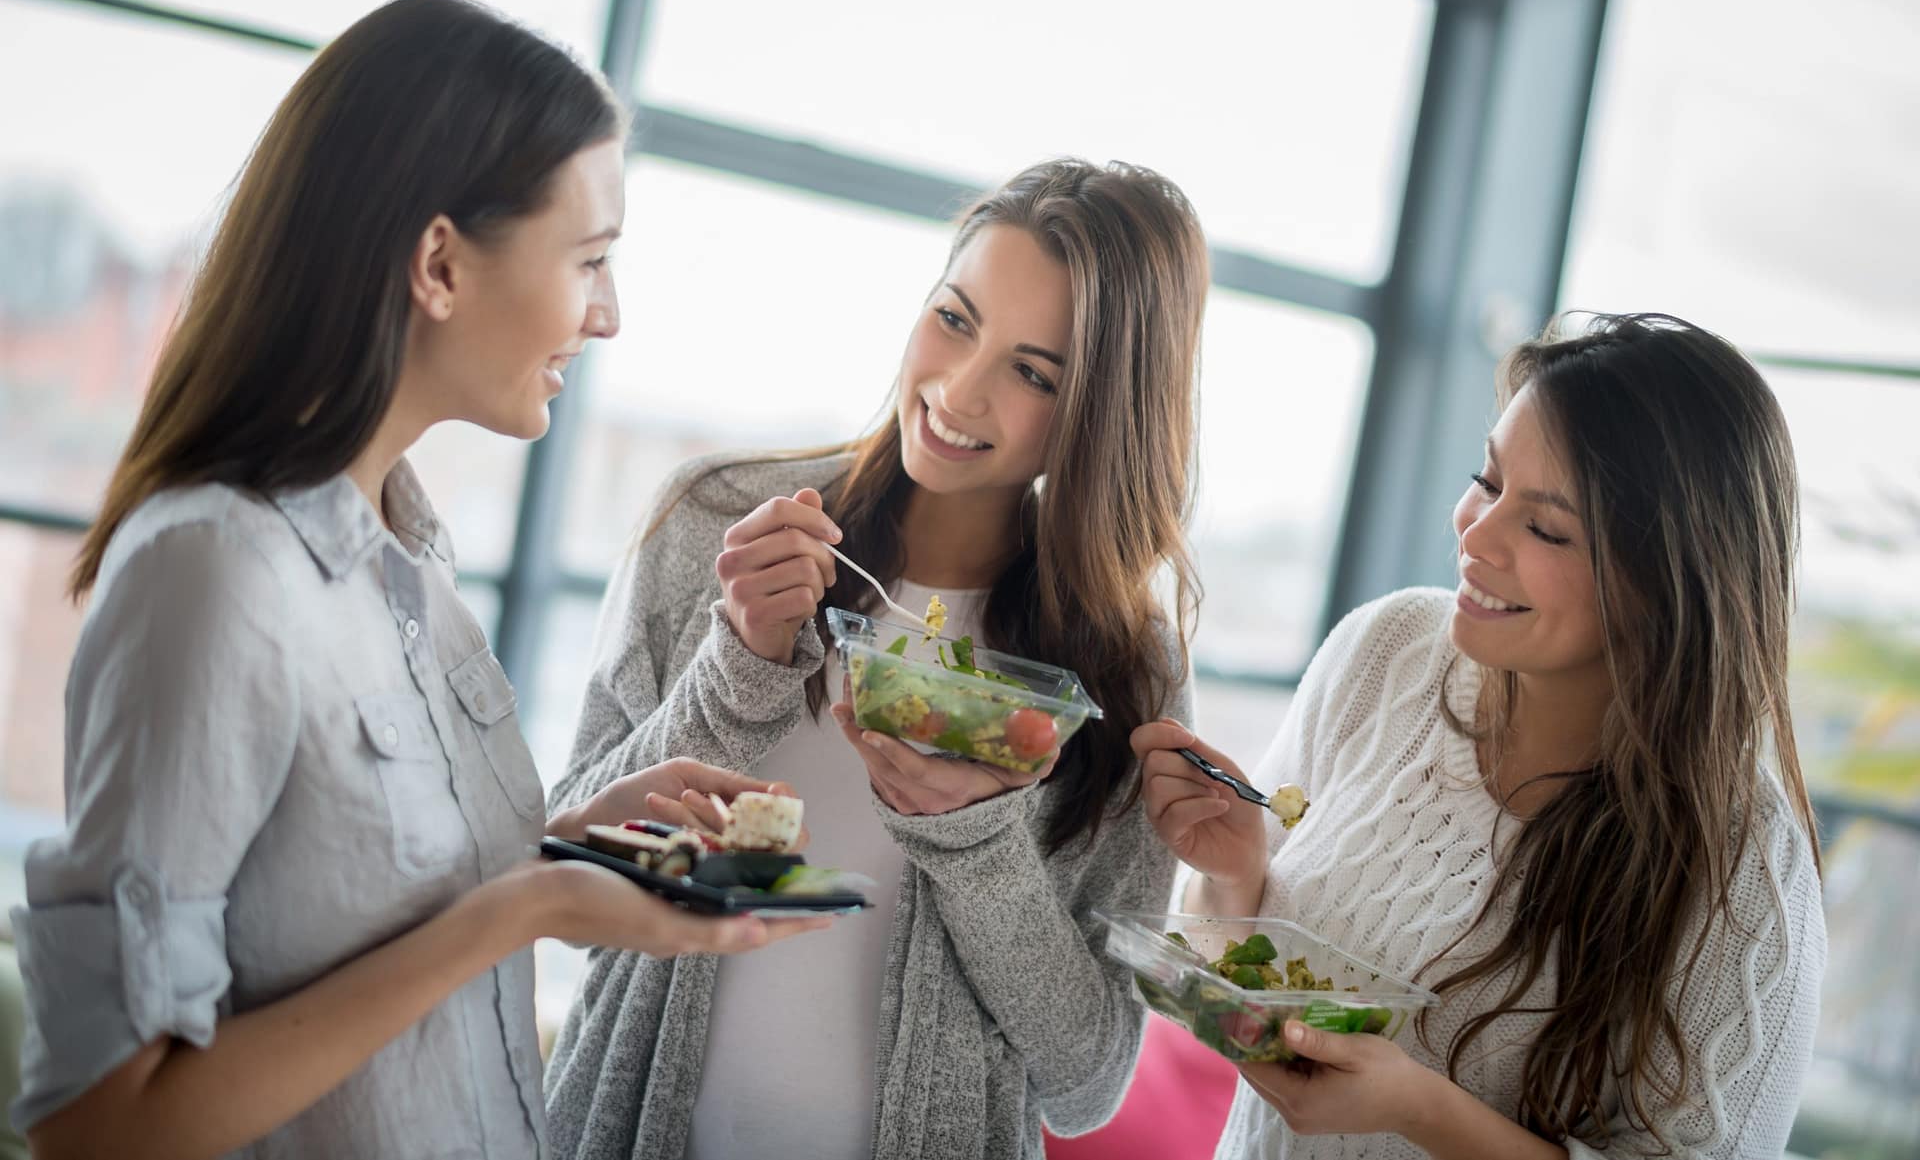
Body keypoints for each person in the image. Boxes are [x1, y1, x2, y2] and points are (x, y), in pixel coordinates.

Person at [12, 0, 823, 1160]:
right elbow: (101, 1129)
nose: (608, 315)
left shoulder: (406, 557)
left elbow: (327, 909)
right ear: (439, 263)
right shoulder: (215, 574)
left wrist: (564, 851)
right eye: (590, 259)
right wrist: (525, 908)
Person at [543, 158, 1210, 1160]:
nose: (959, 390)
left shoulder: (1122, 670)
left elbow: (1086, 1086)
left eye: (1034, 374)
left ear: (1101, 415)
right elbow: (566, 891)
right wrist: (736, 671)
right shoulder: (716, 524)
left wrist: (979, 840)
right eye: (954, 317)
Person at [1134, 312, 1826, 1159]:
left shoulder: (1744, 871)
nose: (1475, 531)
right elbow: (1225, 966)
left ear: (1670, 583)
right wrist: (1232, 876)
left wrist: (1422, 1108)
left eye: (1545, 528)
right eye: (1488, 480)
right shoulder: (1383, 653)